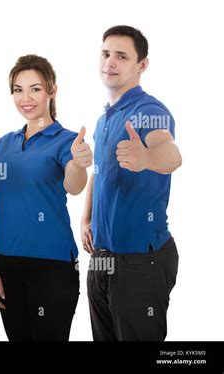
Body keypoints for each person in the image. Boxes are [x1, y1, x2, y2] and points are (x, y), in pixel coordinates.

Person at [81, 25, 182, 341]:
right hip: (102, 258)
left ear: (142, 65)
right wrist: (87, 216)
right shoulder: (106, 117)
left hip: (140, 261)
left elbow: (171, 153)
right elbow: (99, 170)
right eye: (106, 54)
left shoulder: (149, 111)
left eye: (121, 56)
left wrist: (148, 159)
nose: (109, 62)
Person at [0, 54, 93, 341]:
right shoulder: (3, 144)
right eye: (18, 90)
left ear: (52, 90)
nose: (26, 98)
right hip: (8, 267)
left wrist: (79, 163)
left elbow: (74, 184)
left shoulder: (67, 141)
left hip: (53, 269)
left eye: (35, 88)